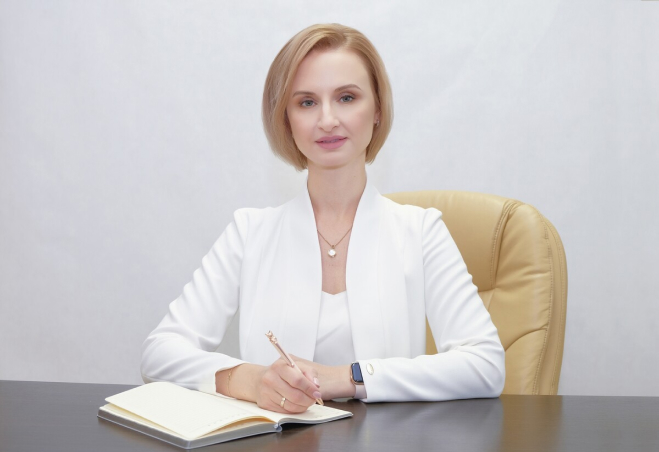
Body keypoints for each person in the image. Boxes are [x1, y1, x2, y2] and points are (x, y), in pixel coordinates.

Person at [141, 23, 505, 414]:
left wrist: (347, 378)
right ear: (286, 118)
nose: (327, 119)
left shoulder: (421, 231)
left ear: (378, 109)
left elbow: (485, 365)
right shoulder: (249, 233)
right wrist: (250, 380)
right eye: (307, 102)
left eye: (347, 97)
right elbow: (159, 353)